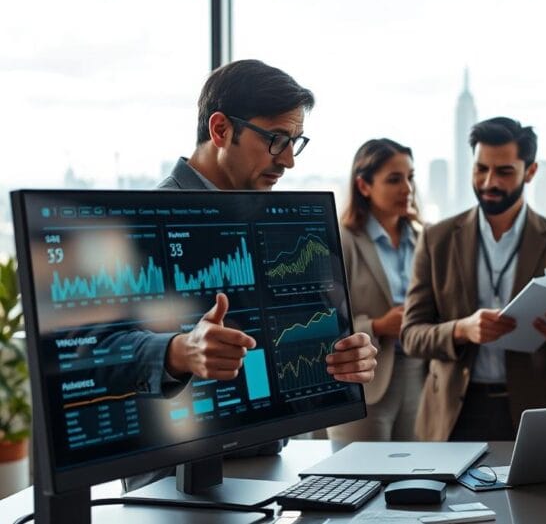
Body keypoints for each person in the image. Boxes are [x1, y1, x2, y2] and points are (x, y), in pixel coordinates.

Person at [124, 60, 379, 491]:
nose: (289, 162)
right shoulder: (141, 221)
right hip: (174, 486)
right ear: (221, 129)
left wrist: (342, 362)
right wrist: (180, 350)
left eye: (296, 143)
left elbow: (285, 347)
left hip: (263, 473)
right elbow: (104, 354)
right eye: (277, 140)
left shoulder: (271, 225)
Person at [401, 116, 546, 441]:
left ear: (530, 171)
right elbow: (411, 335)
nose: (489, 181)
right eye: (481, 169)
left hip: (534, 413)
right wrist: (461, 330)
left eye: (504, 171)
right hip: (452, 415)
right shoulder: (436, 239)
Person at [328, 138, 425, 441]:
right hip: (364, 378)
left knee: (413, 476)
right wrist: (379, 326)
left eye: (410, 177)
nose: (407, 188)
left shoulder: (423, 239)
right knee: (358, 479)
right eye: (394, 179)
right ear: (364, 186)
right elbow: (326, 322)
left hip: (417, 373)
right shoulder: (342, 240)